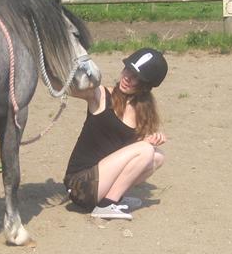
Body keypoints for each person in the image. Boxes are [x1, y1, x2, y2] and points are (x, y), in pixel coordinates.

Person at [63, 47, 168, 220]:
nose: (128, 78)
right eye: (128, 70)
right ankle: (106, 205)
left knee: (157, 156)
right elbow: (68, 87)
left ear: (145, 87)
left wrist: (150, 139)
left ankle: (113, 198)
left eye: (136, 77)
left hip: (100, 181)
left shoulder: (141, 112)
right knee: (146, 150)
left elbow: (128, 154)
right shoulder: (101, 95)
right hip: (80, 184)